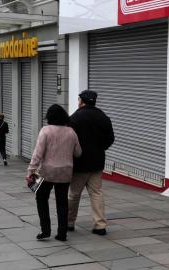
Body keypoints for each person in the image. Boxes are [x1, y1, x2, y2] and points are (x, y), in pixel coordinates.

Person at [26, 104, 82, 241]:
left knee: (41, 199)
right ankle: (62, 233)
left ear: (49, 117)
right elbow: (78, 153)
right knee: (62, 202)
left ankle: (45, 230)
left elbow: (38, 154)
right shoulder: (71, 132)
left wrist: (30, 170)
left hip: (47, 172)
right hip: (65, 172)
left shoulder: (45, 131)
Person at [68, 90, 115, 236]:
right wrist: (100, 148)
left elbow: (69, 140)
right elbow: (110, 138)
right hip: (97, 162)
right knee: (96, 193)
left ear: (81, 101)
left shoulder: (75, 117)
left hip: (79, 163)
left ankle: (69, 223)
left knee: (74, 194)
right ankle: (100, 225)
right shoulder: (103, 117)